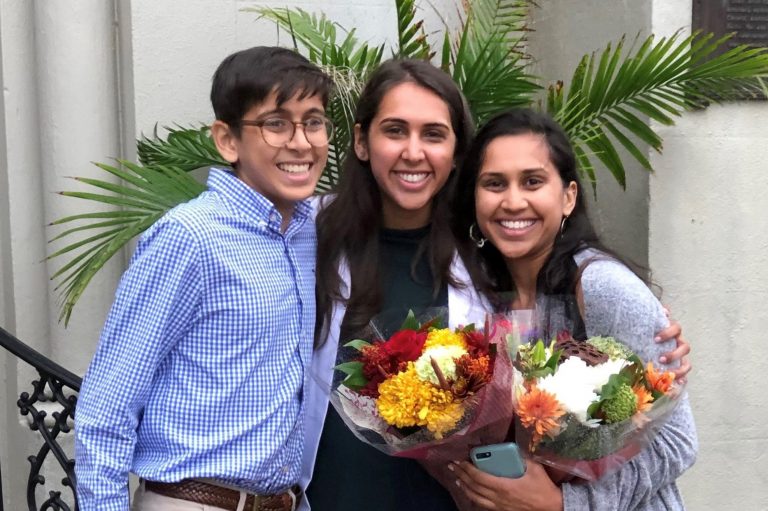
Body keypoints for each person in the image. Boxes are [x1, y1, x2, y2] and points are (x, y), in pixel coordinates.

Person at [301, 60, 690, 511]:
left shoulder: (483, 263)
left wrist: (565, 503)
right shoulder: (306, 240)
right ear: (361, 141)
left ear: (454, 153)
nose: (413, 151)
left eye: (433, 133)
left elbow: (670, 435)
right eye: (394, 130)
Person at [75, 46, 333, 511]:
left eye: (313, 122)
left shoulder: (309, 234)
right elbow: (106, 410)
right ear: (227, 140)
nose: (302, 142)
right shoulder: (190, 238)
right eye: (276, 123)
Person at [448, 108, 698, 510]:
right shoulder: (485, 297)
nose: (513, 201)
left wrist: (567, 504)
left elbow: (677, 442)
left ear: (568, 196)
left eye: (532, 181)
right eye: (494, 184)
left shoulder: (601, 286)